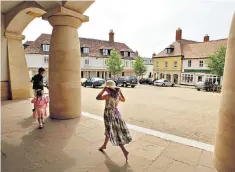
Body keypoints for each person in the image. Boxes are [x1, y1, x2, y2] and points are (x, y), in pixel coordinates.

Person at [96, 80, 132, 162]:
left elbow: (97, 97)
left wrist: (103, 90)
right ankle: (104, 145)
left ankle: (124, 151)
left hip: (109, 114)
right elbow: (124, 100)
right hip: (116, 114)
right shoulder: (117, 95)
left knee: (112, 132)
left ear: (108, 88)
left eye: (106, 88)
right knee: (110, 130)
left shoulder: (108, 95)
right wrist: (120, 92)